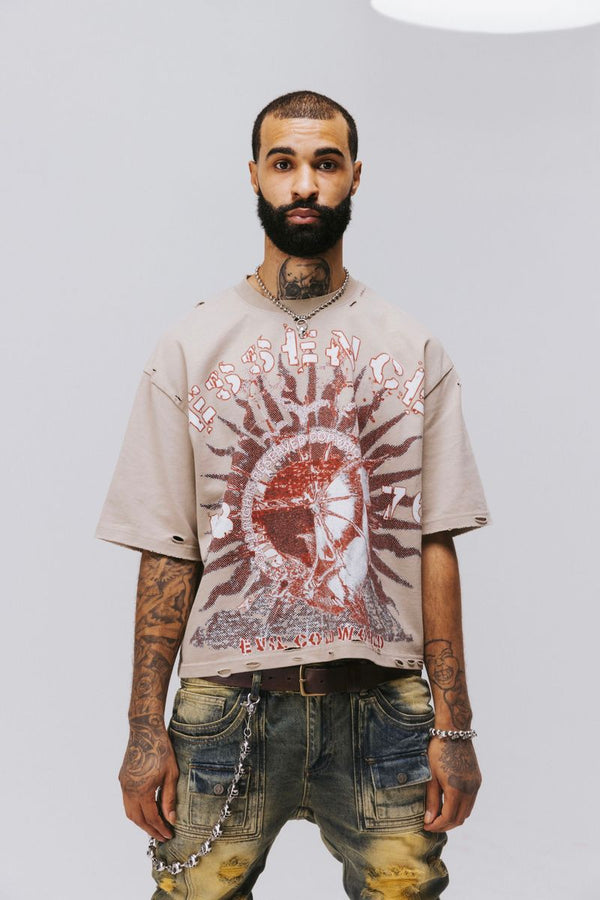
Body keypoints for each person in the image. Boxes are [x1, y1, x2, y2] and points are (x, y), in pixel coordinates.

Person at [95, 89, 492, 899]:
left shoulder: (411, 347)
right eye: (284, 163)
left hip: (382, 711)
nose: (304, 183)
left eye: (325, 163)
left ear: (354, 177)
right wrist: (143, 729)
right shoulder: (189, 346)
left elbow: (434, 541)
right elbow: (168, 551)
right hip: (227, 710)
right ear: (255, 175)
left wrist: (455, 727)